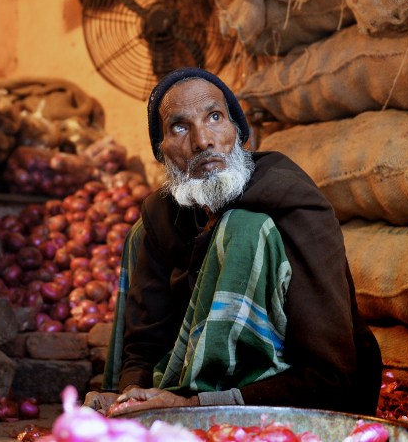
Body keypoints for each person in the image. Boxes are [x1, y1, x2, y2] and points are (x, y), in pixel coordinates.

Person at [84, 67, 383, 417]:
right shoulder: (162, 218)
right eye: (180, 127)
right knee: (138, 233)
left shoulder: (296, 204)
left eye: (214, 117)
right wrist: (132, 394)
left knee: (239, 228)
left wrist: (193, 406)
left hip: (308, 398)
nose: (203, 141)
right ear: (161, 151)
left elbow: (331, 377)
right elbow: (145, 341)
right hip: (184, 398)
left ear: (238, 132)